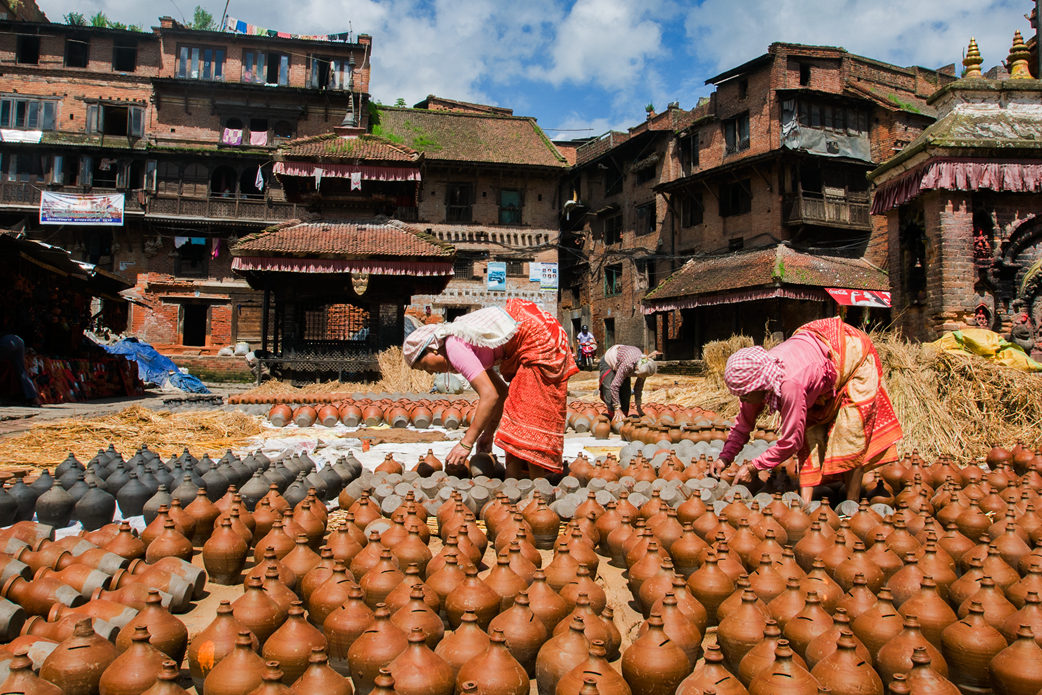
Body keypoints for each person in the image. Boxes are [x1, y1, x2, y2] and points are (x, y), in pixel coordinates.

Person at [714, 317, 902, 503]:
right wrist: (724, 459)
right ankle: (805, 504)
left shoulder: (789, 385)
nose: (743, 400)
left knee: (849, 433)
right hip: (814, 353)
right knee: (810, 432)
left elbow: (790, 442)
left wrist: (755, 467)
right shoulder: (757, 381)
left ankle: (851, 506)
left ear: (758, 385)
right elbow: (743, 425)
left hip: (852, 355)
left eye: (745, 395)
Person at [403, 298, 579, 479]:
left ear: (432, 349)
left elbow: (489, 395)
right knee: (517, 412)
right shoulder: (466, 341)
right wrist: (487, 434)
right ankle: (517, 484)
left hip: (539, 337)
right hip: (539, 328)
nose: (430, 372)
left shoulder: (454, 345)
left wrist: (466, 443)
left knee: (529, 419)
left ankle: (537, 490)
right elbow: (501, 392)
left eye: (424, 366)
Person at [599, 345, 660, 422]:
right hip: (609, 361)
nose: (641, 377)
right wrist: (617, 408)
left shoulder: (644, 367)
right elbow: (614, 386)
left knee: (626, 392)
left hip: (623, 361)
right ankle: (613, 418)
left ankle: (623, 416)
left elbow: (638, 388)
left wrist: (638, 406)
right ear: (637, 369)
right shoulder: (627, 365)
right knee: (609, 392)